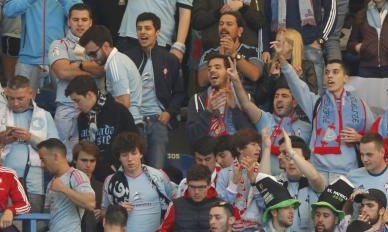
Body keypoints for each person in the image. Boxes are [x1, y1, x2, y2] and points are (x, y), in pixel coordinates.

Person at [281, 56, 372, 181]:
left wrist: (359, 138)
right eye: (327, 72)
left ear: (346, 78)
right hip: (318, 172)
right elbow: (297, 86)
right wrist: (283, 61)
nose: (330, 76)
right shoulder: (316, 102)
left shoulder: (360, 105)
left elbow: (374, 138)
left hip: (348, 174)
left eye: (335, 72)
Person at [123, 12, 186, 168]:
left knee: (157, 171)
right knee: (134, 169)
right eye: (139, 29)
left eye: (147, 28)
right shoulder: (126, 58)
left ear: (157, 32)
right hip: (134, 122)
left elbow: (180, 93)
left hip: (158, 121)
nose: (143, 32)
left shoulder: (170, 59)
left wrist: (169, 112)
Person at [0, 76, 59, 213]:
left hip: (34, 181)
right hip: (3, 179)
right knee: (7, 224)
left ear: (31, 94)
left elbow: (55, 149)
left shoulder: (44, 115)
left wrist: (31, 138)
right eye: (11, 98)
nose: (15, 103)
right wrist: (0, 141)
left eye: (20, 98)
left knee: (34, 225)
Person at [47, 5, 105, 148]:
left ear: (90, 22)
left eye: (84, 19)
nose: (80, 23)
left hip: (96, 108)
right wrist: (90, 67)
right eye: (75, 19)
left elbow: (102, 70)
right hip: (68, 108)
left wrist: (74, 65)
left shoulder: (101, 44)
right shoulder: (59, 44)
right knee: (66, 156)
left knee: (94, 155)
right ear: (68, 22)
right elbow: (62, 71)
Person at [37, 138, 97, 232]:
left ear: (56, 156)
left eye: (43, 159)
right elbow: (48, 216)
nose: (42, 164)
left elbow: (91, 203)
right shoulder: (52, 183)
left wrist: (64, 189)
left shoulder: (76, 175)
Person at [68, 75, 138, 181]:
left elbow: (134, 142)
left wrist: (116, 166)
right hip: (90, 179)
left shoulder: (118, 111)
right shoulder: (81, 118)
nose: (75, 106)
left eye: (77, 100)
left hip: (119, 178)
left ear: (89, 95)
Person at [2, 0, 80, 92]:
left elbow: (80, 13)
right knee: (22, 102)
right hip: (28, 58)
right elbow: (8, 11)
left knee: (67, 102)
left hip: (60, 59)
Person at [185, 53, 253, 143]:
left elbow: (250, 137)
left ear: (229, 72)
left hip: (234, 154)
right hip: (210, 154)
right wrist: (208, 112)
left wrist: (234, 108)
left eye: (217, 67)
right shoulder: (197, 100)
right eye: (209, 68)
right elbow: (192, 137)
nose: (212, 70)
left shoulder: (245, 98)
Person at [195, 10, 262, 90]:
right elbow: (201, 81)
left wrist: (234, 54)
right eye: (221, 24)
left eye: (229, 24)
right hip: (215, 97)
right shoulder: (209, 53)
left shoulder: (253, 51)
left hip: (244, 97)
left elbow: (255, 75)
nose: (224, 27)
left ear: (239, 31)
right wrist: (221, 57)